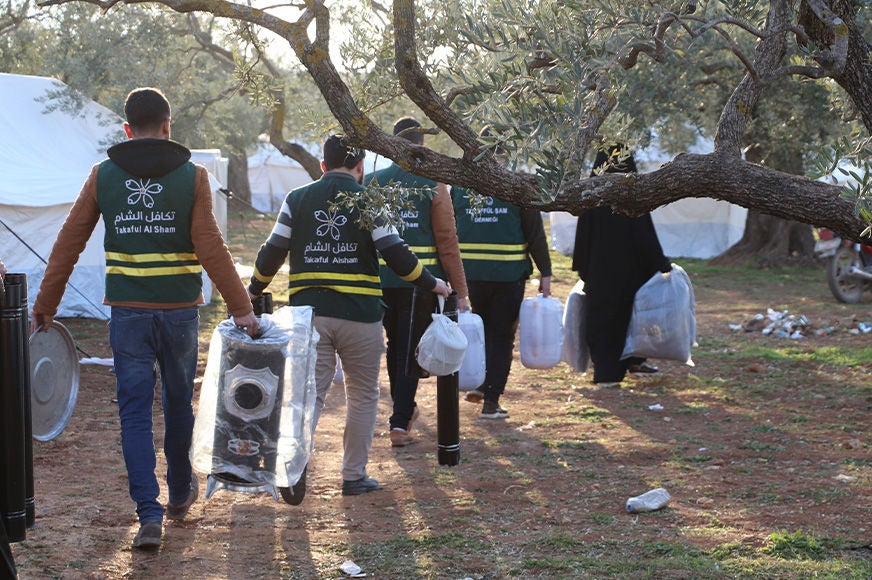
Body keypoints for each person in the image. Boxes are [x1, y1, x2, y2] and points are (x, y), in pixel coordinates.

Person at [30, 87, 259, 551]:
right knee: (178, 406)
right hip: (179, 317)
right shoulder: (192, 176)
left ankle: (149, 515)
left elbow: (68, 244)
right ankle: (178, 495)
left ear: (127, 129)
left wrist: (45, 307)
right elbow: (211, 247)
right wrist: (242, 310)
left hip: (128, 317)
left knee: (134, 414)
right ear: (169, 125)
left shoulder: (103, 176)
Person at [248, 135, 450, 495]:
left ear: (323, 165)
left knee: (310, 395)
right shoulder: (371, 200)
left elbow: (272, 252)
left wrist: (253, 289)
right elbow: (398, 256)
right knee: (362, 395)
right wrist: (433, 283)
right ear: (360, 167)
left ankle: (294, 472)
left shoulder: (297, 199)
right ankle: (353, 476)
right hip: (360, 317)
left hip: (310, 317)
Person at [367, 116, 469, 447]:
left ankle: (404, 413)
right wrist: (461, 291)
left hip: (380, 280)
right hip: (420, 282)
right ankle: (399, 422)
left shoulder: (372, 181)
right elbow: (447, 240)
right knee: (408, 350)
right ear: (422, 146)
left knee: (395, 345)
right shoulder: (433, 183)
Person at [452, 130, 552, 419]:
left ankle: (481, 384)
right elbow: (535, 234)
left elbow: (448, 230)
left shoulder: (461, 186)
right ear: (506, 153)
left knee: (477, 332)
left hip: (470, 277)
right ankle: (491, 399)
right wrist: (545, 272)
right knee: (500, 336)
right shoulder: (519, 185)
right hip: (508, 277)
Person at [571, 144, 672, 387]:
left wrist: (582, 267)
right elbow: (645, 235)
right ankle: (623, 366)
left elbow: (582, 236)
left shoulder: (591, 192)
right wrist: (660, 264)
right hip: (629, 274)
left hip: (599, 272)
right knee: (631, 320)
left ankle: (609, 371)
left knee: (602, 322)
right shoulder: (632, 194)